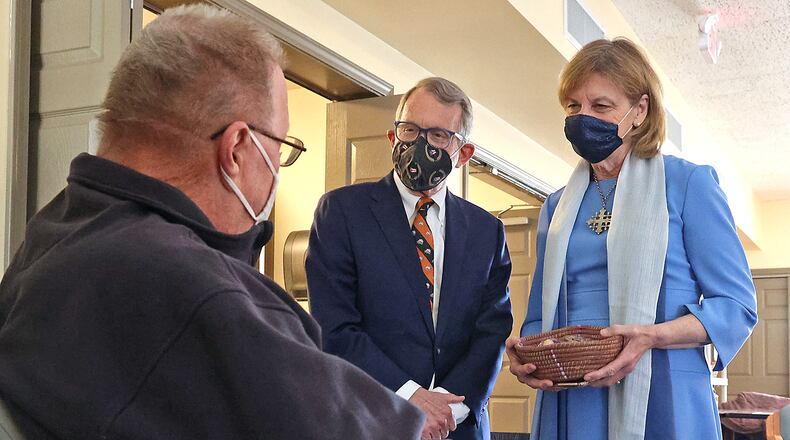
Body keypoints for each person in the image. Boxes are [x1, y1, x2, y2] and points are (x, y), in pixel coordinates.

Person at [0, 5, 424, 439]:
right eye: (280, 145)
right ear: (238, 147)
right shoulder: (198, 293)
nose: (278, 166)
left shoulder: (57, 229)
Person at [505, 37, 757, 440]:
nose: (582, 116)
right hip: (576, 390)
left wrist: (652, 336)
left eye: (601, 106)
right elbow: (539, 315)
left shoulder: (688, 183)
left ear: (639, 110)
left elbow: (736, 307)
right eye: (573, 106)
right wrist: (526, 356)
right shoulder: (556, 206)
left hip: (663, 383)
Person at [306, 77, 513, 440]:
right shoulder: (341, 212)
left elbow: (491, 331)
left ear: (463, 154)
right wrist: (410, 398)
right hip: (370, 421)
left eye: (437, 135)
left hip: (458, 426)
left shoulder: (487, 230)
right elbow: (335, 328)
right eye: (410, 129)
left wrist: (449, 411)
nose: (420, 143)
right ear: (393, 137)